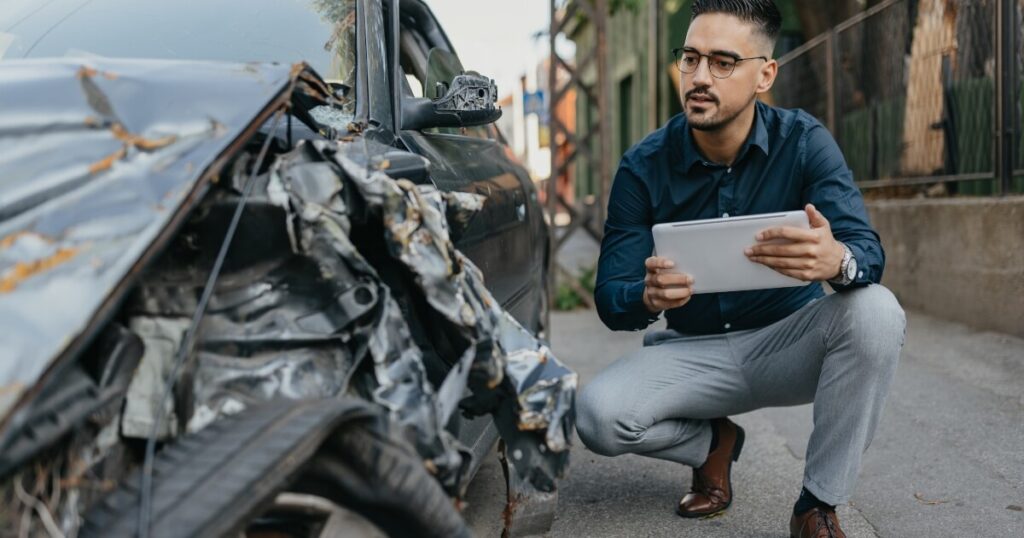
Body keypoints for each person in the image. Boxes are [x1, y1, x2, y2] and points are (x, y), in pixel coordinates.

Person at [574, 1, 906, 537]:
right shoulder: (643, 165)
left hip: (787, 343)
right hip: (691, 353)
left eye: (724, 62)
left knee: (877, 312)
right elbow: (612, 298)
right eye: (691, 58)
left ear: (764, 74)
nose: (700, 77)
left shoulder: (802, 141)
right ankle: (714, 444)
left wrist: (836, 260)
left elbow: (866, 250)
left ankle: (817, 505)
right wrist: (647, 295)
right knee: (595, 415)